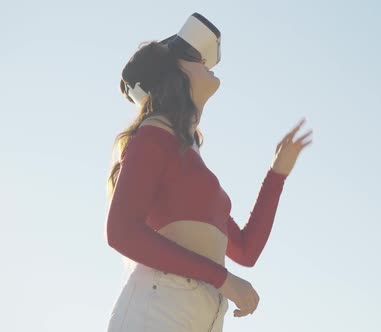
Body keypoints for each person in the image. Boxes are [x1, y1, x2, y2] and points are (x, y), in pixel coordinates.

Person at [104, 40, 313, 331]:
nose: (203, 59)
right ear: (173, 75)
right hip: (160, 308)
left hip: (202, 315)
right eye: (191, 56)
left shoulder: (191, 162)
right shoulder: (152, 137)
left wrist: (277, 174)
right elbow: (121, 232)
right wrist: (223, 279)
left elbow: (245, 250)